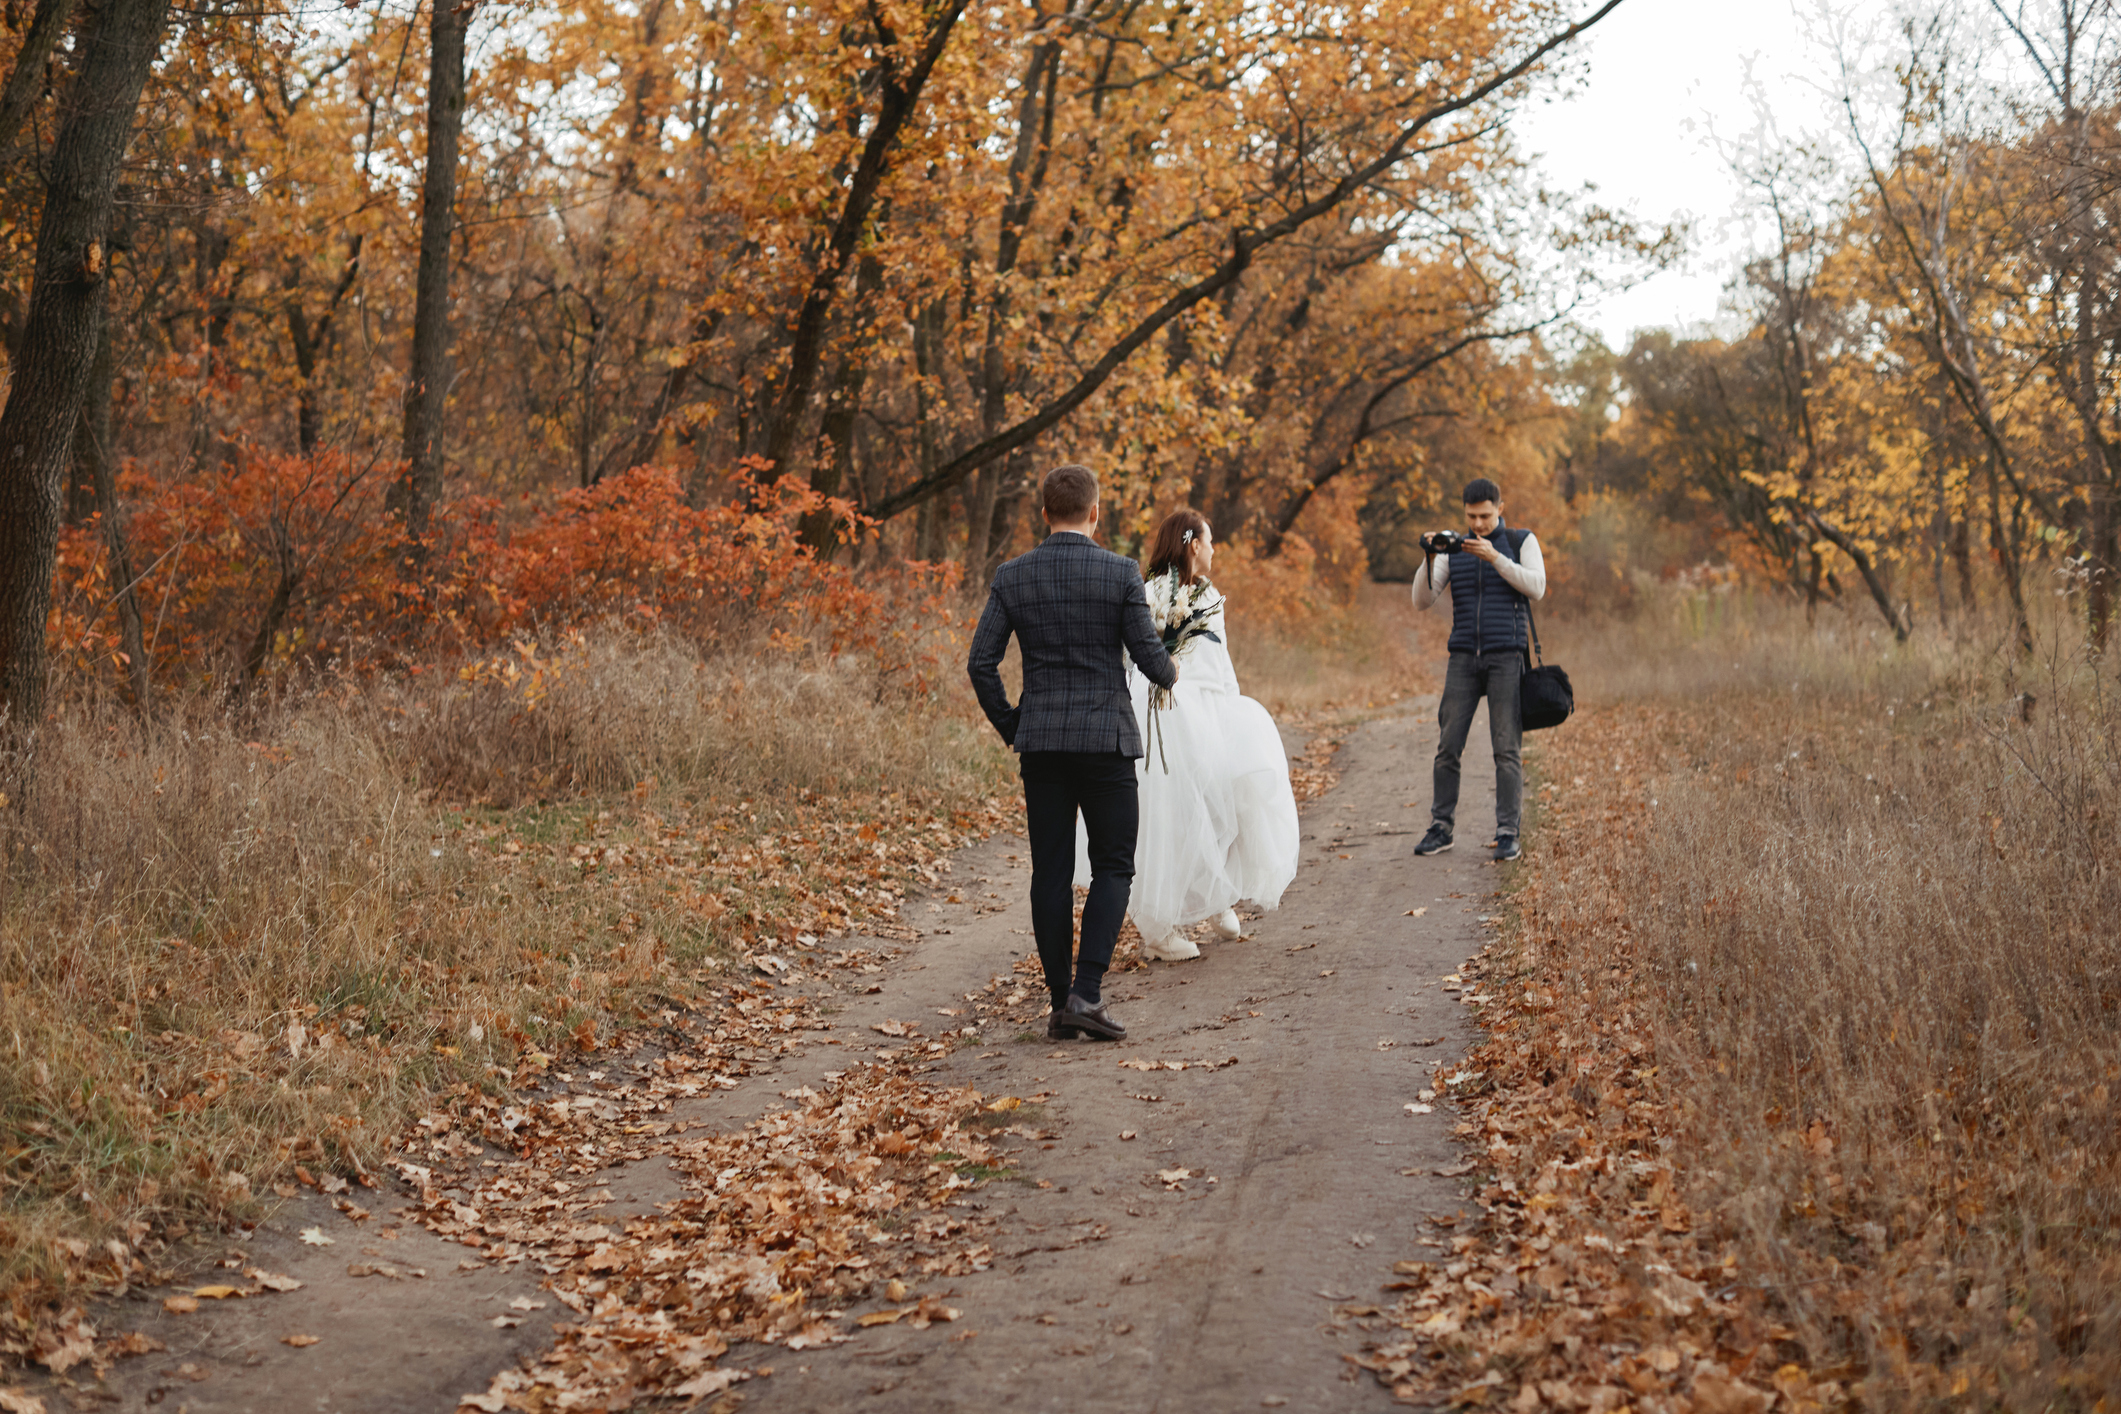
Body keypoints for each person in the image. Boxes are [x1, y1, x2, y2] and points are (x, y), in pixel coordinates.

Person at [967, 464, 1178, 1042]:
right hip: (1105, 743)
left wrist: (1015, 725)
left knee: (1051, 873)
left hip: (1043, 746)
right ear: (1095, 512)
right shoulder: (1120, 573)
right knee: (1114, 864)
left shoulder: (1013, 576)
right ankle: (1087, 992)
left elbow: (980, 663)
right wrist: (1172, 663)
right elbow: (1152, 663)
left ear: (1043, 514)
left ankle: (1062, 1000)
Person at [1079, 509, 1300, 961]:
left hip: (1203, 706)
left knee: (1228, 791)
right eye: (1210, 541)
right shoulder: (1150, 592)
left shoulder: (1203, 594)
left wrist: (1232, 712)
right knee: (1168, 812)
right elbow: (1135, 654)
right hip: (1166, 704)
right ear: (1193, 544)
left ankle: (1218, 894)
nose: (1215, 549)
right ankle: (1157, 927)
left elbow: (1220, 665)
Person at [1410, 477, 1547, 863]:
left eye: (1486, 516)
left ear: (1500, 508)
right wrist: (1430, 556)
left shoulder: (1522, 541)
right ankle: (1441, 828)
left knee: (1506, 749)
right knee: (1447, 747)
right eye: (1472, 516)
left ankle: (1507, 833)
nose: (1479, 524)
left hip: (1507, 656)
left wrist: (1495, 558)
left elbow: (1537, 587)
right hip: (1463, 658)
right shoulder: (1455, 548)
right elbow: (1422, 601)